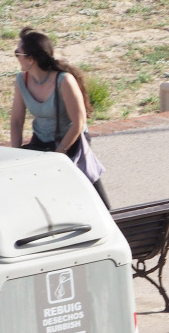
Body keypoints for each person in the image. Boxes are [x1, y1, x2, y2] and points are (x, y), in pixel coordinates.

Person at [10, 26, 109, 207]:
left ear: (31, 59)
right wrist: (14, 154)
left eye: (18, 53)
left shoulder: (63, 80)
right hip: (42, 142)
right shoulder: (21, 80)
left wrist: (59, 154)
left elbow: (79, 123)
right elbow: (16, 121)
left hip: (70, 143)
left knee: (99, 204)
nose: (16, 57)